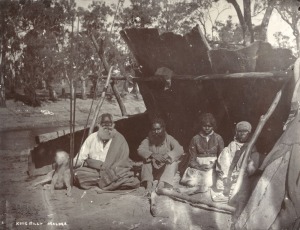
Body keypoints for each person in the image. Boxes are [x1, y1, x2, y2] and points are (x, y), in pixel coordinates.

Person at [74, 113, 139, 192]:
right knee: (79, 174)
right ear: (99, 125)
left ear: (113, 125)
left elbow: (123, 161)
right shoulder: (92, 138)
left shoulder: (120, 139)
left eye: (109, 124)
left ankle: (100, 184)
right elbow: (81, 157)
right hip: (95, 171)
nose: (107, 127)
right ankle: (106, 184)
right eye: (104, 124)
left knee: (125, 177)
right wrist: (71, 164)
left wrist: (110, 171)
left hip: (113, 171)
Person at [180, 113, 224, 194]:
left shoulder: (218, 138)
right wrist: (198, 166)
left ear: (213, 126)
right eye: (204, 125)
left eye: (209, 126)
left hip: (213, 166)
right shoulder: (195, 139)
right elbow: (192, 158)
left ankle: (200, 187)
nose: (207, 128)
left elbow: (222, 157)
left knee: (210, 180)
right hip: (199, 166)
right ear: (200, 125)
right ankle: (198, 187)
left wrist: (213, 165)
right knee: (191, 181)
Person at [137, 118, 184, 194]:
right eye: (154, 129)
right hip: (152, 171)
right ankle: (149, 184)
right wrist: (152, 155)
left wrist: (168, 155)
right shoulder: (148, 139)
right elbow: (140, 150)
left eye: (158, 129)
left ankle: (161, 184)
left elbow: (180, 149)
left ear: (163, 128)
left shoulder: (169, 139)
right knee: (146, 161)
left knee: (173, 163)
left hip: (164, 170)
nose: (156, 132)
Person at [215, 121, 260, 198]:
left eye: (245, 131)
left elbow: (252, 166)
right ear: (236, 133)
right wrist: (226, 176)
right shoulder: (232, 145)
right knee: (220, 185)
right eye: (240, 131)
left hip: (242, 176)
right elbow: (224, 161)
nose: (242, 134)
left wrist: (241, 174)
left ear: (249, 133)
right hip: (229, 174)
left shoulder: (251, 147)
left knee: (242, 189)